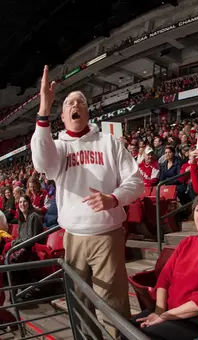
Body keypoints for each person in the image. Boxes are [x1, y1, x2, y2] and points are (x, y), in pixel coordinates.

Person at [31, 66, 144, 323]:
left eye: (80, 101)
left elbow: (136, 181)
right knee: (80, 305)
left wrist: (113, 198)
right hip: (72, 237)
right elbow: (40, 162)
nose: (75, 104)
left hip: (107, 235)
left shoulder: (109, 142)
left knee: (113, 305)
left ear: (86, 111)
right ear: (63, 115)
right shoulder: (57, 147)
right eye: (70, 102)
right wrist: (43, 109)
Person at [130, 192, 198, 340]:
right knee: (127, 327)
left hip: (196, 320)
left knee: (143, 335)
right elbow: (165, 278)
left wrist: (165, 316)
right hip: (169, 312)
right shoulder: (187, 242)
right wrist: (159, 310)